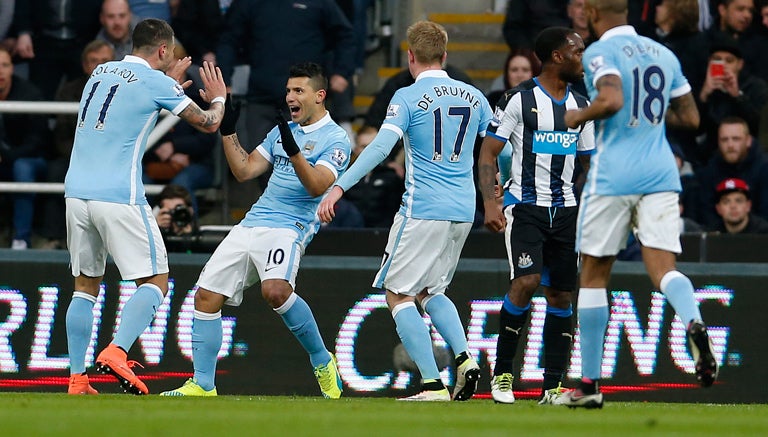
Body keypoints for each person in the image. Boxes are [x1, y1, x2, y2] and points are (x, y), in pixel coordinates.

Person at [318, 21, 493, 402]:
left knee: (398, 294)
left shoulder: (408, 96)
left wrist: (339, 185)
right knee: (432, 290)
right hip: (463, 210)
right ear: (445, 56)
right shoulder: (474, 96)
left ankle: (432, 384)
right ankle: (464, 358)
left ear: (410, 57)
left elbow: (381, 148)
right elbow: (500, 151)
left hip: (422, 208)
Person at [561, 0, 718, 408]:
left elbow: (610, 99)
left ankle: (590, 386)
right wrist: (648, 116)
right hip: (661, 173)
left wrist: (578, 116)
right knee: (664, 268)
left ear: (594, 13)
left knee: (594, 275)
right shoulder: (663, 54)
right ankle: (694, 321)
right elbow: (692, 118)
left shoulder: (599, 52)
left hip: (614, 174)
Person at [160, 62, 349, 398]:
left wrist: (293, 150)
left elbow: (317, 186)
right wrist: (228, 129)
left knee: (275, 290)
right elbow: (245, 170)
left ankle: (323, 360)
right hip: (253, 221)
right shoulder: (281, 131)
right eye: (289, 90)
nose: (290, 96)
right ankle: (203, 384)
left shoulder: (336, 138)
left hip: (290, 225)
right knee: (205, 296)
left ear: (319, 96)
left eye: (298, 91)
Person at [64, 18, 227, 395]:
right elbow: (208, 124)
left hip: (76, 192)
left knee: (85, 286)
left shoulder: (101, 71)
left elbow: (129, 105)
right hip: (118, 193)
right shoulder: (157, 82)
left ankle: (76, 379)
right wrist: (217, 97)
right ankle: (117, 351)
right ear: (165, 51)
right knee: (156, 280)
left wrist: (169, 86)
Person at [477, 27, 594, 405]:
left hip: (566, 211)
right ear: (557, 57)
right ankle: (504, 375)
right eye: (577, 51)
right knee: (525, 282)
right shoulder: (518, 99)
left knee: (561, 295)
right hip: (525, 206)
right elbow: (488, 153)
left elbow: (587, 162)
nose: (583, 57)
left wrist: (584, 204)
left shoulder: (582, 102)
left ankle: (553, 387)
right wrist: (491, 204)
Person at [40, 40, 115, 250]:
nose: (100, 67)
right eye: (94, 61)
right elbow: (61, 134)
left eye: (105, 61)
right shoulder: (69, 90)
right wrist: (82, 157)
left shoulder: (126, 92)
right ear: (84, 65)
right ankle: (54, 238)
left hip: (113, 159)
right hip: (74, 156)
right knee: (56, 172)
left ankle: (116, 242)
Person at [0, 47, 51, 250]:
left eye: (4, 65)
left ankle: (21, 240)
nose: (0, 71)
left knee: (22, 167)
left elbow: (36, 141)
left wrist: (7, 156)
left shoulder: (29, 93)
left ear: (12, 68)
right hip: (4, 158)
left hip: (31, 159)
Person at [695, 117, 768, 228]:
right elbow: (706, 211)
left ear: (748, 141)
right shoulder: (710, 170)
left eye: (736, 139)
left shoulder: (764, 168)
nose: (730, 145)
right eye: (724, 140)